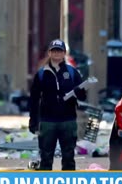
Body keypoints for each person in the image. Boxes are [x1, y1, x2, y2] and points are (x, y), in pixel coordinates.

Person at [28, 39, 86, 170]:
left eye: (59, 51)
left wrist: (78, 91)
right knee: (46, 157)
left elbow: (82, 96)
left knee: (68, 157)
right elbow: (34, 99)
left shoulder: (72, 72)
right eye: (54, 51)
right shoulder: (42, 74)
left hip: (68, 120)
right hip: (48, 121)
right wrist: (33, 120)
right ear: (49, 53)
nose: (56, 53)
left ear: (64, 53)